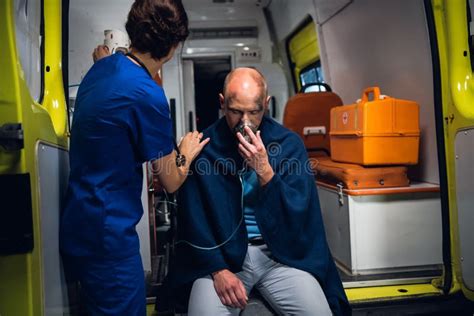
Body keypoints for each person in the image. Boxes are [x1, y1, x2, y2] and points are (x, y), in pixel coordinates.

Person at [158, 67, 350, 315]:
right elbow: (193, 220)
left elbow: (300, 216)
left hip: (279, 256)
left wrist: (265, 172)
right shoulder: (204, 147)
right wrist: (218, 271)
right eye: (236, 112)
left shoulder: (289, 145)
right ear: (222, 104)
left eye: (254, 112)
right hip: (222, 259)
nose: (245, 122)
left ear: (266, 104)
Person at [59, 1, 208, 315]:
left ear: (133, 29)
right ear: (174, 45)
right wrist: (186, 153)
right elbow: (170, 180)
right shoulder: (146, 95)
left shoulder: (101, 69)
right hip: (109, 241)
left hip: (79, 223)